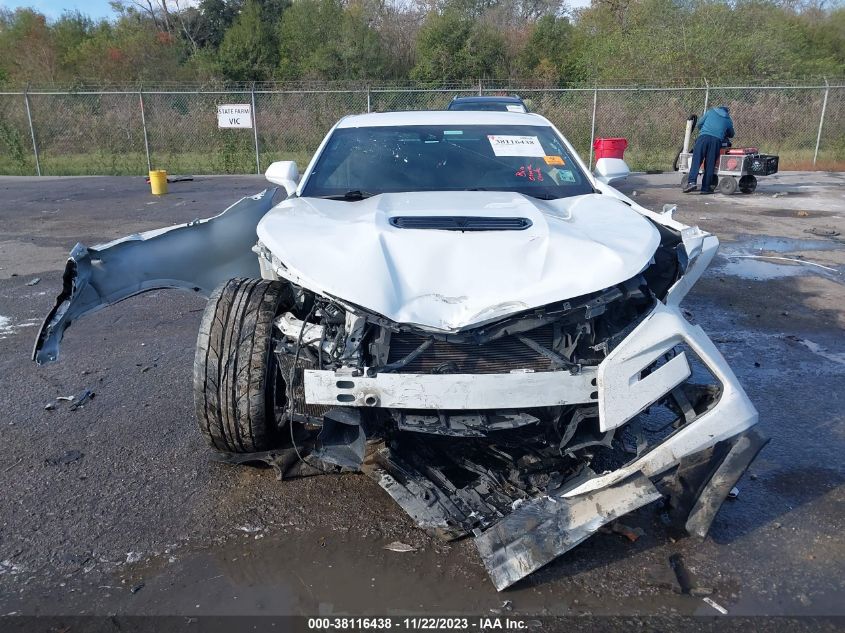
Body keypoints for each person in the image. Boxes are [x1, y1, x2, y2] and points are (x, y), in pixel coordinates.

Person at [683, 106, 735, 194]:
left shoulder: (710, 112)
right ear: (727, 112)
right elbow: (731, 134)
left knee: (697, 160)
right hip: (716, 141)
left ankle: (691, 182)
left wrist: (705, 129)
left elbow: (699, 124)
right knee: (710, 164)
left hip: (703, 138)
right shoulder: (728, 119)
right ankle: (706, 188)